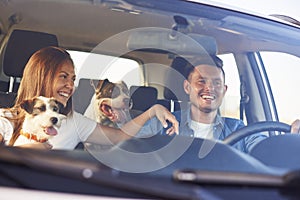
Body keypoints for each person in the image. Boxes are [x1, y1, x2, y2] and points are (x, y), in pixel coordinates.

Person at [0, 46, 178, 149]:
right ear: (42, 76)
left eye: (73, 79)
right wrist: (30, 150)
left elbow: (120, 136)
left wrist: (154, 110)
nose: (70, 86)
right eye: (63, 76)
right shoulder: (5, 120)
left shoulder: (75, 122)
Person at [138, 55, 300, 153]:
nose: (209, 89)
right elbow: (122, 147)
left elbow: (267, 152)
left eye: (216, 83)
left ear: (224, 89)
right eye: (201, 81)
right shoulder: (162, 124)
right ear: (187, 87)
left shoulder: (239, 130)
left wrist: (292, 138)